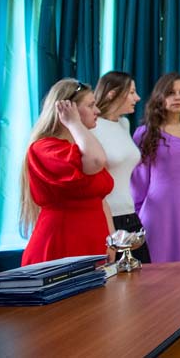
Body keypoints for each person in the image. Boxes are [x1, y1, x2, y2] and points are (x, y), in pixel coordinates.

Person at [20, 79, 113, 265]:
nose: (97, 111)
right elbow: (97, 161)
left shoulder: (80, 148)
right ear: (69, 109)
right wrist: (74, 123)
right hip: (62, 242)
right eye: (91, 105)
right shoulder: (45, 148)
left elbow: (100, 200)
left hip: (93, 241)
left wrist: (111, 240)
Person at [131, 73, 180, 263]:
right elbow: (138, 180)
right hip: (159, 209)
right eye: (171, 93)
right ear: (160, 97)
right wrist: (135, 217)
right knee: (160, 266)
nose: (177, 97)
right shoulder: (146, 133)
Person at [92, 70, 150, 263]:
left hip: (130, 214)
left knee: (144, 275)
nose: (138, 98)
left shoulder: (124, 124)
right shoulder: (92, 127)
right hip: (106, 217)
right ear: (112, 94)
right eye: (131, 92)